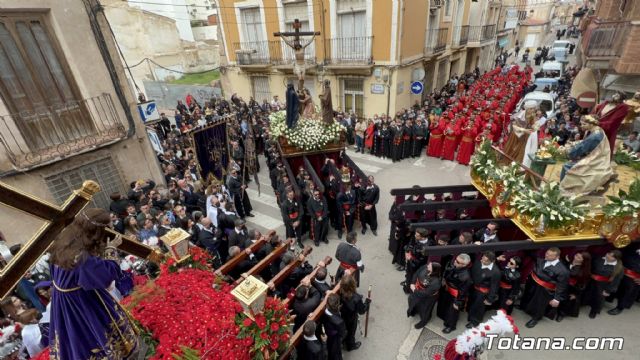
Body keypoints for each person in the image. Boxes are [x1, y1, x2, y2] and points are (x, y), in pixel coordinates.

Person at [48, 208, 137, 359]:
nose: (112, 229)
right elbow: (105, 277)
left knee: (71, 336)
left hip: (63, 298)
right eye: (108, 227)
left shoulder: (64, 240)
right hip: (82, 301)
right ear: (97, 230)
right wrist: (111, 250)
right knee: (91, 334)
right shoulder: (80, 257)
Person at [559, 115, 615, 196]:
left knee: (567, 166)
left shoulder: (595, 136)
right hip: (597, 158)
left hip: (596, 162)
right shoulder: (598, 130)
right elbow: (585, 144)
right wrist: (575, 144)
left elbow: (581, 148)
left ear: (591, 124)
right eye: (581, 124)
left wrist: (568, 151)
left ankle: (565, 191)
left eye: (584, 124)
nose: (582, 126)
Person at [523, 247, 569, 328]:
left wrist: (556, 299)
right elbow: (530, 253)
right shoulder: (541, 260)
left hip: (545, 290)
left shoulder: (563, 271)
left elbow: (562, 285)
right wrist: (529, 244)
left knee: (540, 305)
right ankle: (525, 308)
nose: (547, 256)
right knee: (529, 297)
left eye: (550, 255)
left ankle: (535, 318)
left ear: (557, 257)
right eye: (547, 253)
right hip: (534, 284)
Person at [582, 250, 623, 319]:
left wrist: (608, 291)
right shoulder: (599, 259)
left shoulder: (619, 268)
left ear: (616, 259)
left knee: (598, 298)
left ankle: (594, 311)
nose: (608, 256)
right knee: (588, 293)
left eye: (612, 256)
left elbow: (616, 281)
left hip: (603, 285)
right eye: (608, 254)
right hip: (592, 281)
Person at [437, 253, 472, 334]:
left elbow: (463, 291)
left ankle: (451, 326)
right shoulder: (453, 264)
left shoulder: (466, 277)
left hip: (456, 295)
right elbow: (446, 272)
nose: (455, 262)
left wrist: (458, 302)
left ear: (464, 265)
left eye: (458, 262)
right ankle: (443, 316)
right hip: (446, 288)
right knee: (443, 304)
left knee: (452, 312)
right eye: (456, 260)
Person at [466, 252, 501, 328]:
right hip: (473, 288)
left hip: (482, 292)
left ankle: (475, 321)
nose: (482, 261)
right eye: (482, 258)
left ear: (492, 261)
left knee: (479, 307)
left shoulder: (496, 272)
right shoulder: (478, 262)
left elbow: (494, 287)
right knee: (472, 304)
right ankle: (470, 317)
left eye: (485, 261)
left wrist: (489, 299)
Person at [339, 274, 370, 351]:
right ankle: (350, 346)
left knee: (344, 329)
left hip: (342, 315)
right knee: (351, 332)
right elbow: (362, 311)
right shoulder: (357, 298)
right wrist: (367, 303)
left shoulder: (340, 292)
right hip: (351, 318)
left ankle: (343, 341)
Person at [556, 251, 591, 321]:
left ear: (583, 260)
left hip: (571, 288)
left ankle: (561, 314)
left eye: (579, 257)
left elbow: (582, 284)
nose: (576, 257)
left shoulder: (583, 271)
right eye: (576, 255)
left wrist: (576, 294)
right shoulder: (569, 262)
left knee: (565, 302)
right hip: (560, 284)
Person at [407, 262, 442, 329]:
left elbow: (426, 293)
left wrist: (414, 290)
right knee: (411, 300)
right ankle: (413, 310)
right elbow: (416, 273)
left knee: (425, 309)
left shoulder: (436, 282)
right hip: (417, 289)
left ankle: (424, 321)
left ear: (434, 269)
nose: (427, 265)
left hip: (427, 297)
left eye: (430, 266)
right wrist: (412, 283)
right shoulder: (425, 267)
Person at [608, 244, 640, 315]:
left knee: (626, 292)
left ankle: (620, 307)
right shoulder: (635, 240)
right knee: (615, 286)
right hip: (622, 268)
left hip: (635, 275)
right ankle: (610, 298)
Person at [321, 293, 346, 360]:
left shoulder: (324, 310)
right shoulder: (339, 321)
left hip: (327, 332)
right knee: (335, 352)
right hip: (334, 338)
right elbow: (342, 333)